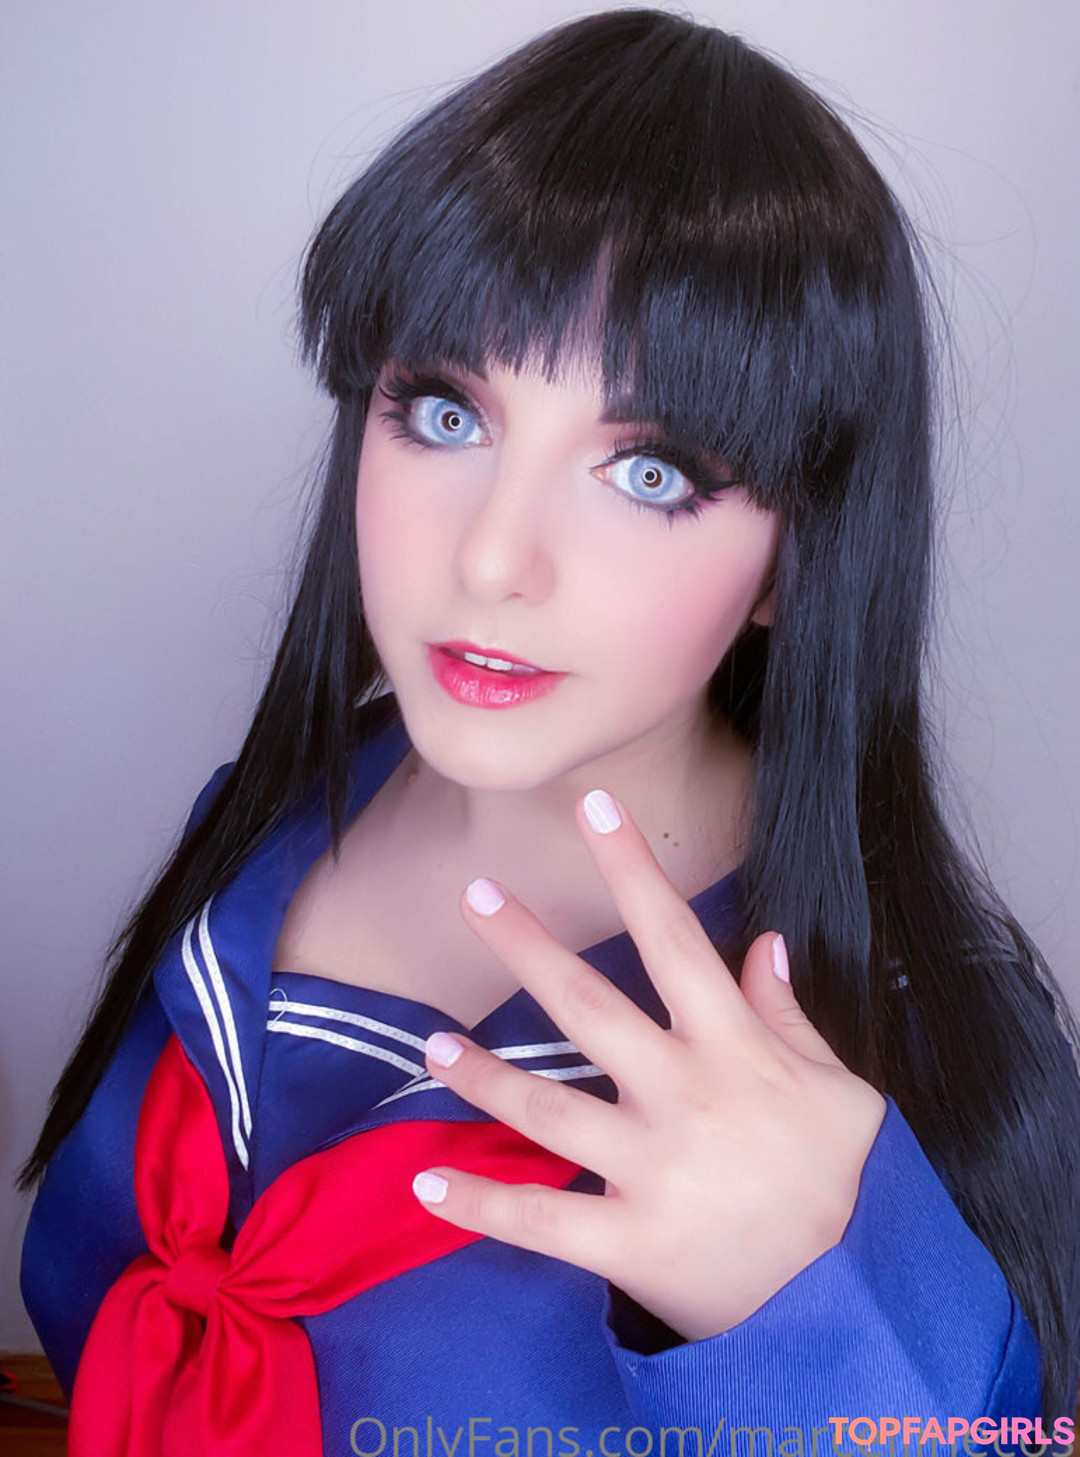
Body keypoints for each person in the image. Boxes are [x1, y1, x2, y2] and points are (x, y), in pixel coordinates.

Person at [16, 8, 1080, 1452]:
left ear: (796, 554)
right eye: (445, 414)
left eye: (649, 472)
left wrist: (832, 1336)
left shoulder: (914, 1035)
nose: (495, 559)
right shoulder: (254, 831)